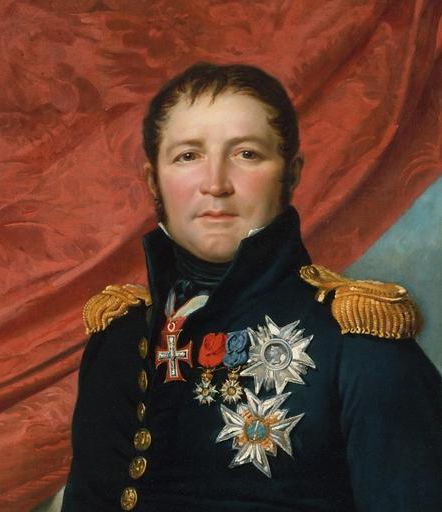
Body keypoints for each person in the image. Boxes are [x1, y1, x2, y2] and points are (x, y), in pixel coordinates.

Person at [61, 63, 442, 512]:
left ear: (291, 174)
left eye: (246, 154)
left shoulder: (359, 345)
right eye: (188, 156)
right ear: (153, 181)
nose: (216, 184)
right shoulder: (121, 338)